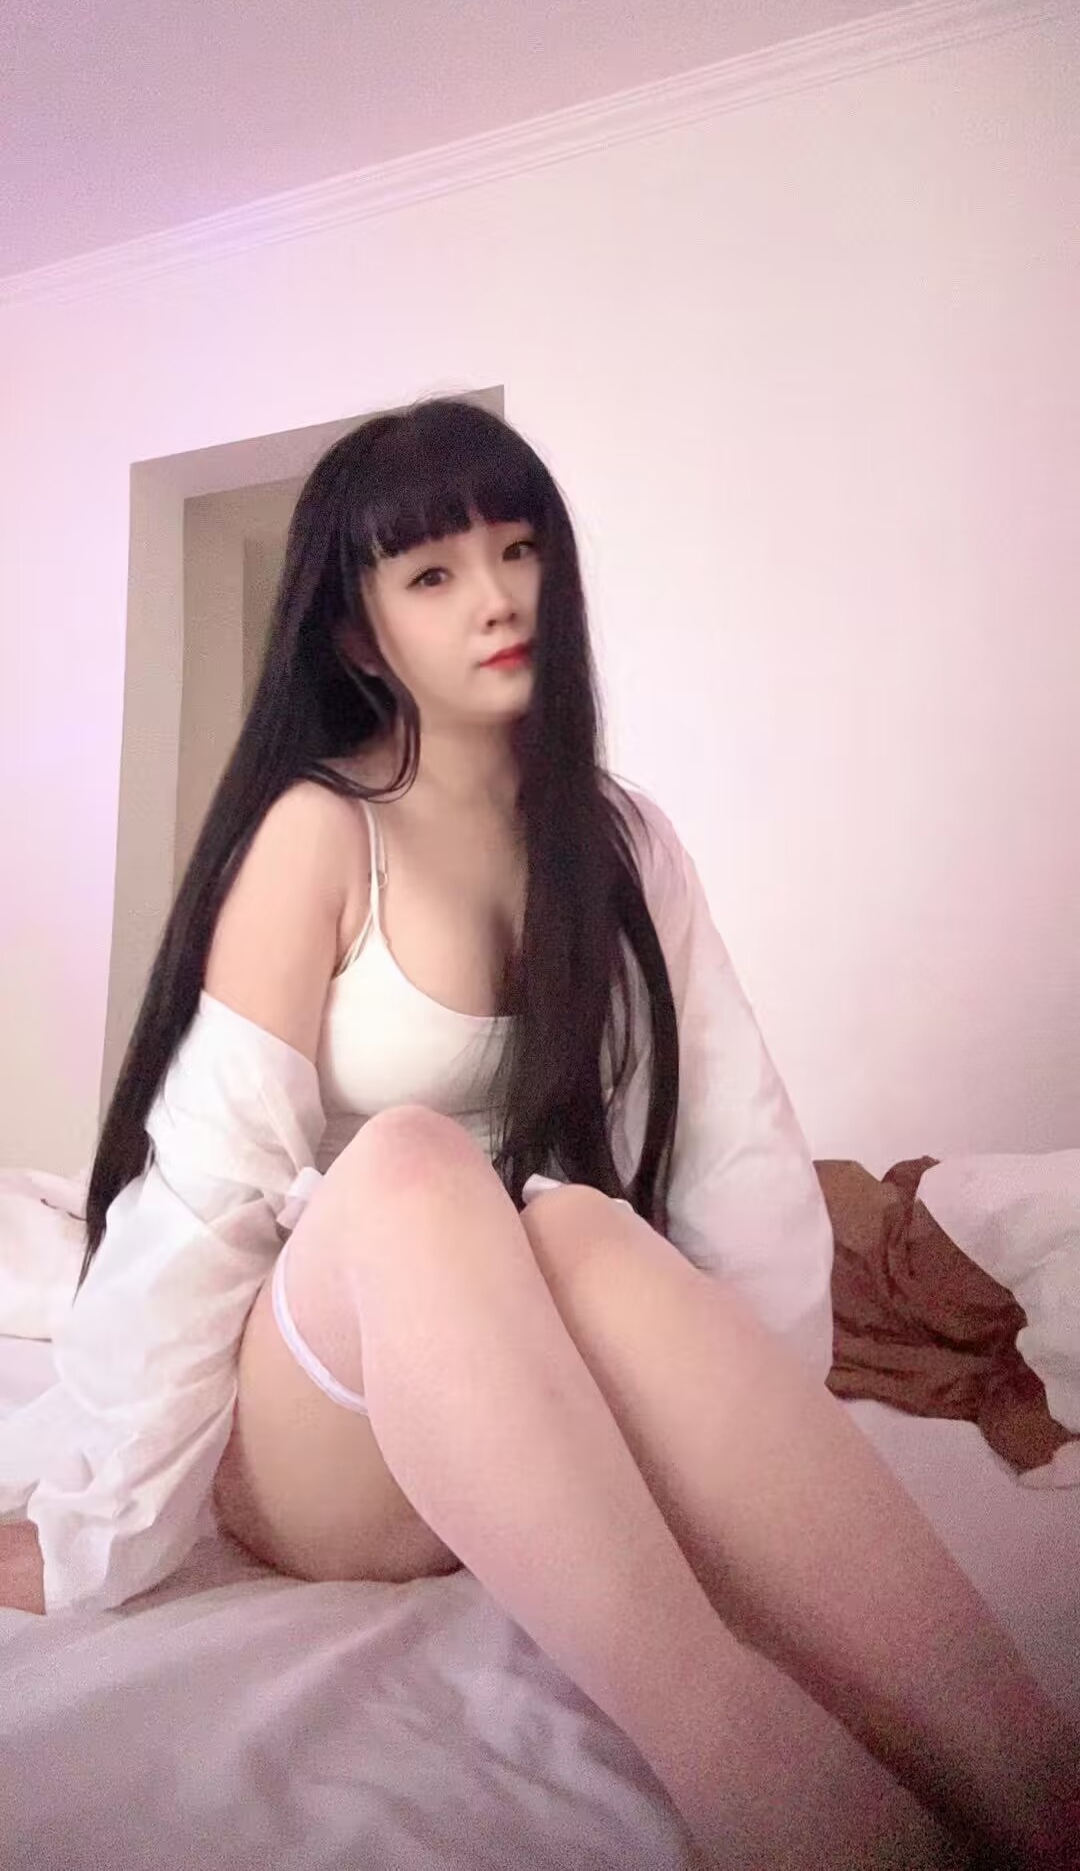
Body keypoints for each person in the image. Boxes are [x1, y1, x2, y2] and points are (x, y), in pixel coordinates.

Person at [0, 398, 1076, 1868]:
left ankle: (1040, 1783)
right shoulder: (322, 830)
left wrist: (746, 1443)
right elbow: (203, 1194)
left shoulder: (621, 842)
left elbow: (734, 1147)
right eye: (434, 574)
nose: (498, 598)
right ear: (360, 633)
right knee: (413, 1164)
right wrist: (98, 1527)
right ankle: (755, 1768)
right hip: (312, 1435)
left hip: (499, 1427)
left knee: (577, 1217)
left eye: (519, 550)